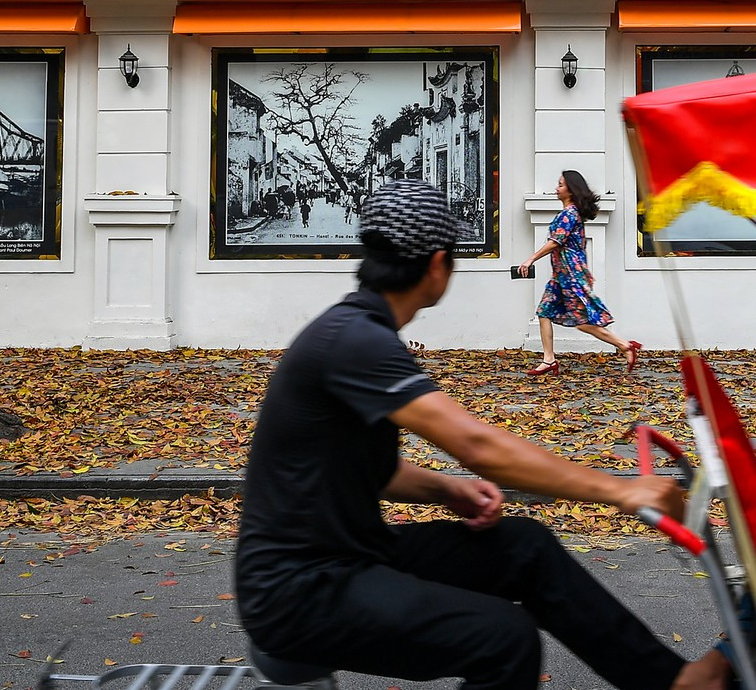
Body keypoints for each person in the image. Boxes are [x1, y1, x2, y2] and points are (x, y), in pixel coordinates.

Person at [235, 178, 728, 690]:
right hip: (296, 589)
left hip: (351, 550)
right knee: (504, 639)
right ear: (436, 263)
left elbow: (370, 468)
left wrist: (450, 491)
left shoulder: (358, 331)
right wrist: (619, 488)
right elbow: (476, 446)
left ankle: (671, 683)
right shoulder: (355, 340)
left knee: (524, 547)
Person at [515, 170, 641, 377]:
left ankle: (625, 345)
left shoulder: (569, 214)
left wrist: (530, 259)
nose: (557, 188)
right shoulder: (567, 214)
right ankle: (549, 360)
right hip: (561, 275)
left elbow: (555, 242)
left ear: (571, 191)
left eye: (561, 185)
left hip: (571, 276)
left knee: (583, 322)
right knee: (544, 312)